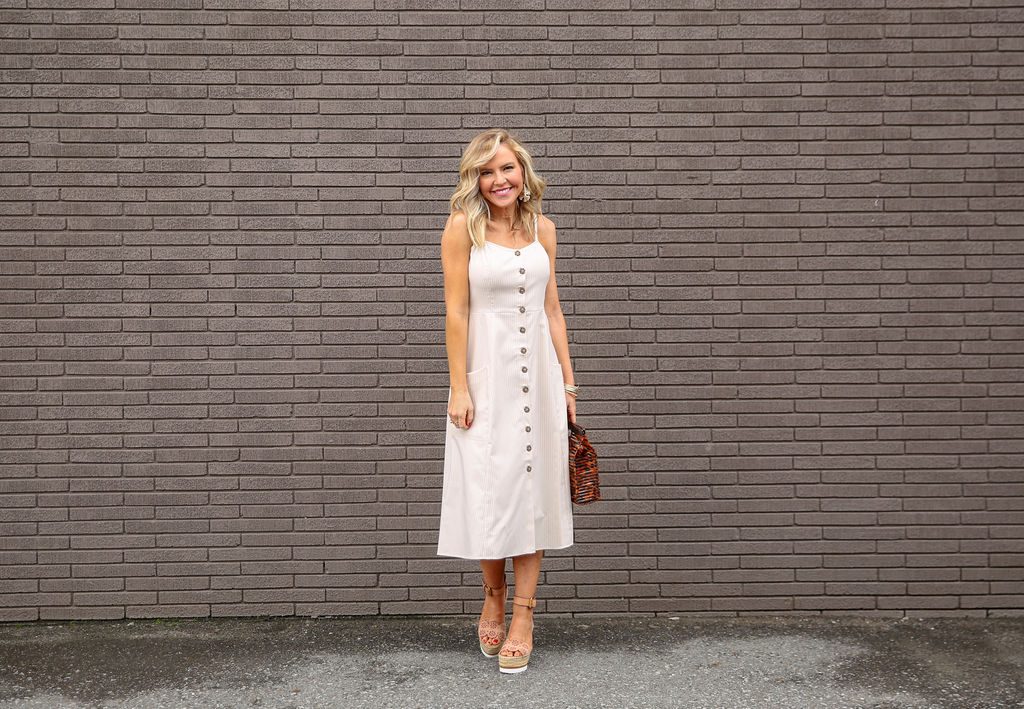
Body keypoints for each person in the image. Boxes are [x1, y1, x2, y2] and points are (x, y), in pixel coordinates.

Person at [437, 128, 577, 674]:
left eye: (507, 169)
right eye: (486, 172)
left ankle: (524, 613)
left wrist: (567, 384)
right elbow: (456, 313)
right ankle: (492, 593)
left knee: (532, 490)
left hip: (537, 378)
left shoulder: (544, 228)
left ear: (524, 174)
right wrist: (460, 386)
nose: (498, 180)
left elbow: (553, 309)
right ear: (475, 179)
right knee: (490, 490)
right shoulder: (461, 230)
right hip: (486, 374)